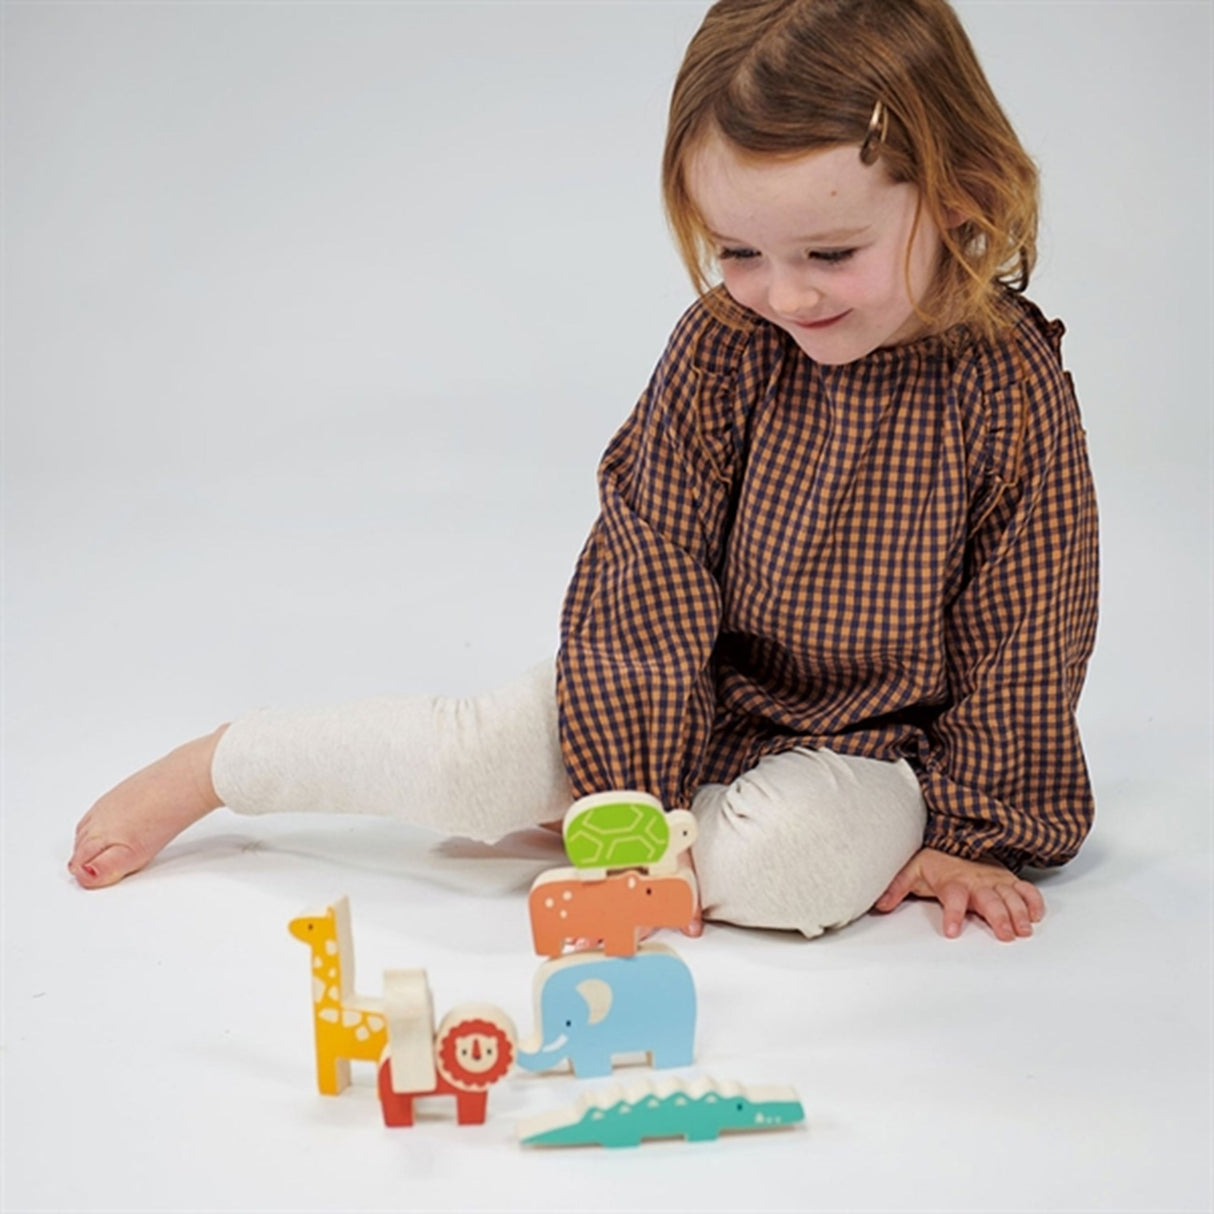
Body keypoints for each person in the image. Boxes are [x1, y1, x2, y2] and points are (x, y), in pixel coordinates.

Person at [69, 0, 1098, 944]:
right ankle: (221, 766)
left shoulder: (1006, 388)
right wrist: (630, 780)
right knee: (477, 759)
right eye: (739, 250)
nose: (784, 295)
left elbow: (1029, 619)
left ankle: (648, 841)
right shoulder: (726, 346)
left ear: (960, 194)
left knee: (794, 872)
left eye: (830, 254)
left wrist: (974, 828)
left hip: (872, 746)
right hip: (684, 682)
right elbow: (649, 552)